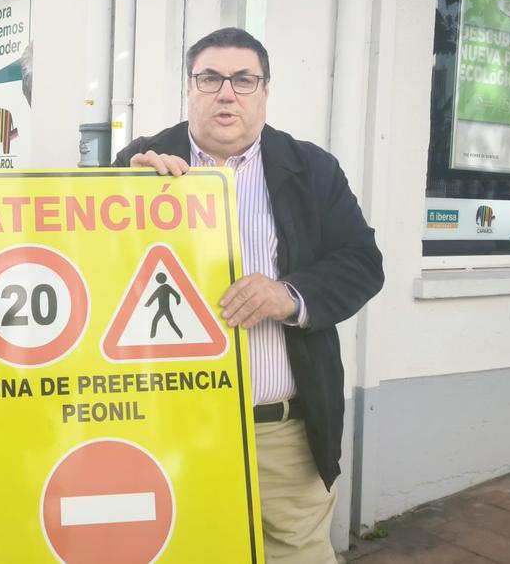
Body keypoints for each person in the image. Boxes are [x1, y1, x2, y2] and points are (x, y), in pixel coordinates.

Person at [115, 27, 384, 562]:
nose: (226, 93)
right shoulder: (140, 161)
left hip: (281, 436)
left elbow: (361, 262)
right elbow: (93, 268)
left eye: (243, 79)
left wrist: (290, 296)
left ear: (265, 91)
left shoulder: (312, 169)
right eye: (210, 78)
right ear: (189, 88)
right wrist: (123, 196)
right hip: (171, 430)